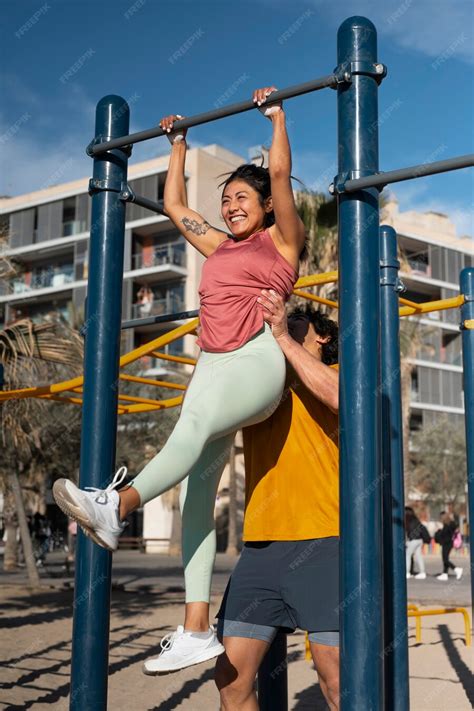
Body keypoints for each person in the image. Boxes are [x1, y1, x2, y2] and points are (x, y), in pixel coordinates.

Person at [52, 85, 305, 671]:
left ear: (267, 206)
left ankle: (118, 504)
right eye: (229, 199)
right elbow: (173, 205)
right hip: (214, 367)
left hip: (256, 362)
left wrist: (277, 117)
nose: (233, 205)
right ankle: (196, 628)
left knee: (189, 424)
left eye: (244, 196)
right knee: (197, 494)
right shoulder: (218, 246)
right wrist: (178, 146)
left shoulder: (282, 242)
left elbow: (284, 174)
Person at [215, 293, 340, 711]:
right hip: (261, 550)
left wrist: (284, 336)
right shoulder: (262, 390)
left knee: (338, 681)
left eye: (298, 321)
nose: (282, 322)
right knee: (230, 682)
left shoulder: (338, 373)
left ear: (321, 337)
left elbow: (342, 398)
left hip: (324, 542)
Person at [435, 511, 463, 581]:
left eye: (441, 517)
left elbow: (444, 534)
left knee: (445, 559)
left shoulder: (447, 525)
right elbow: (455, 530)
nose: (440, 519)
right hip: (448, 543)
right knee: (445, 559)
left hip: (446, 543)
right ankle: (445, 574)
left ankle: (456, 569)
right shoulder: (451, 523)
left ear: (443, 517)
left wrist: (439, 530)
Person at [404, 507, 428, 580]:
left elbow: (409, 532)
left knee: (407, 555)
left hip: (413, 540)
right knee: (419, 556)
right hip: (420, 540)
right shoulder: (416, 520)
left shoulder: (408, 520)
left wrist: (408, 539)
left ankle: (407, 572)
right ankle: (422, 572)